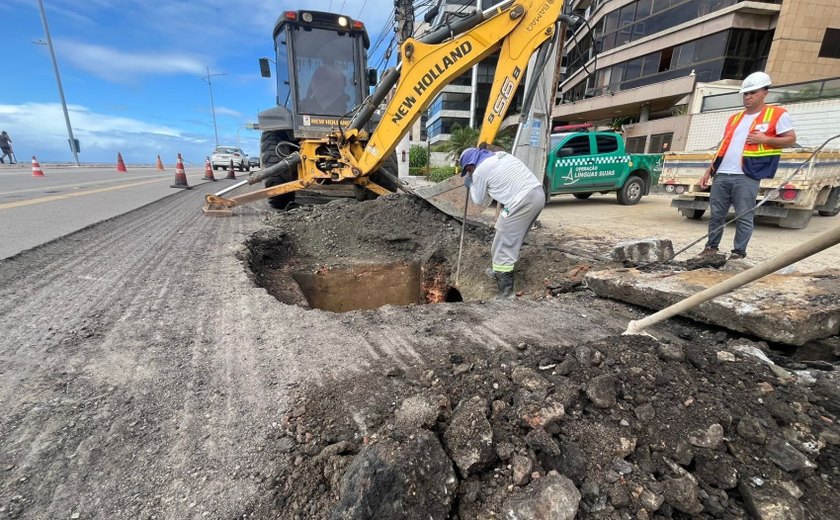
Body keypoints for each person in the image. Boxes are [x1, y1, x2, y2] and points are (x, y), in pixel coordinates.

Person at [696, 71, 796, 260]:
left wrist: (765, 139)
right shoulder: (735, 118)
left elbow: (790, 139)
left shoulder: (776, 114)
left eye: (753, 93)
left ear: (765, 93)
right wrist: (709, 171)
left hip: (747, 174)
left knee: (743, 215)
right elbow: (723, 146)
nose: (748, 97)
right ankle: (711, 248)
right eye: (746, 93)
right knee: (716, 214)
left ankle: (738, 253)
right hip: (722, 173)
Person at [460, 146, 545, 298]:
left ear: (470, 165)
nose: (469, 173)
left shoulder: (479, 171)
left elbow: (478, 200)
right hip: (537, 194)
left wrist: (471, 183)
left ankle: (506, 294)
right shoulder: (501, 155)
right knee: (501, 228)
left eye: (468, 171)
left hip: (522, 201)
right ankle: (498, 271)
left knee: (505, 244)